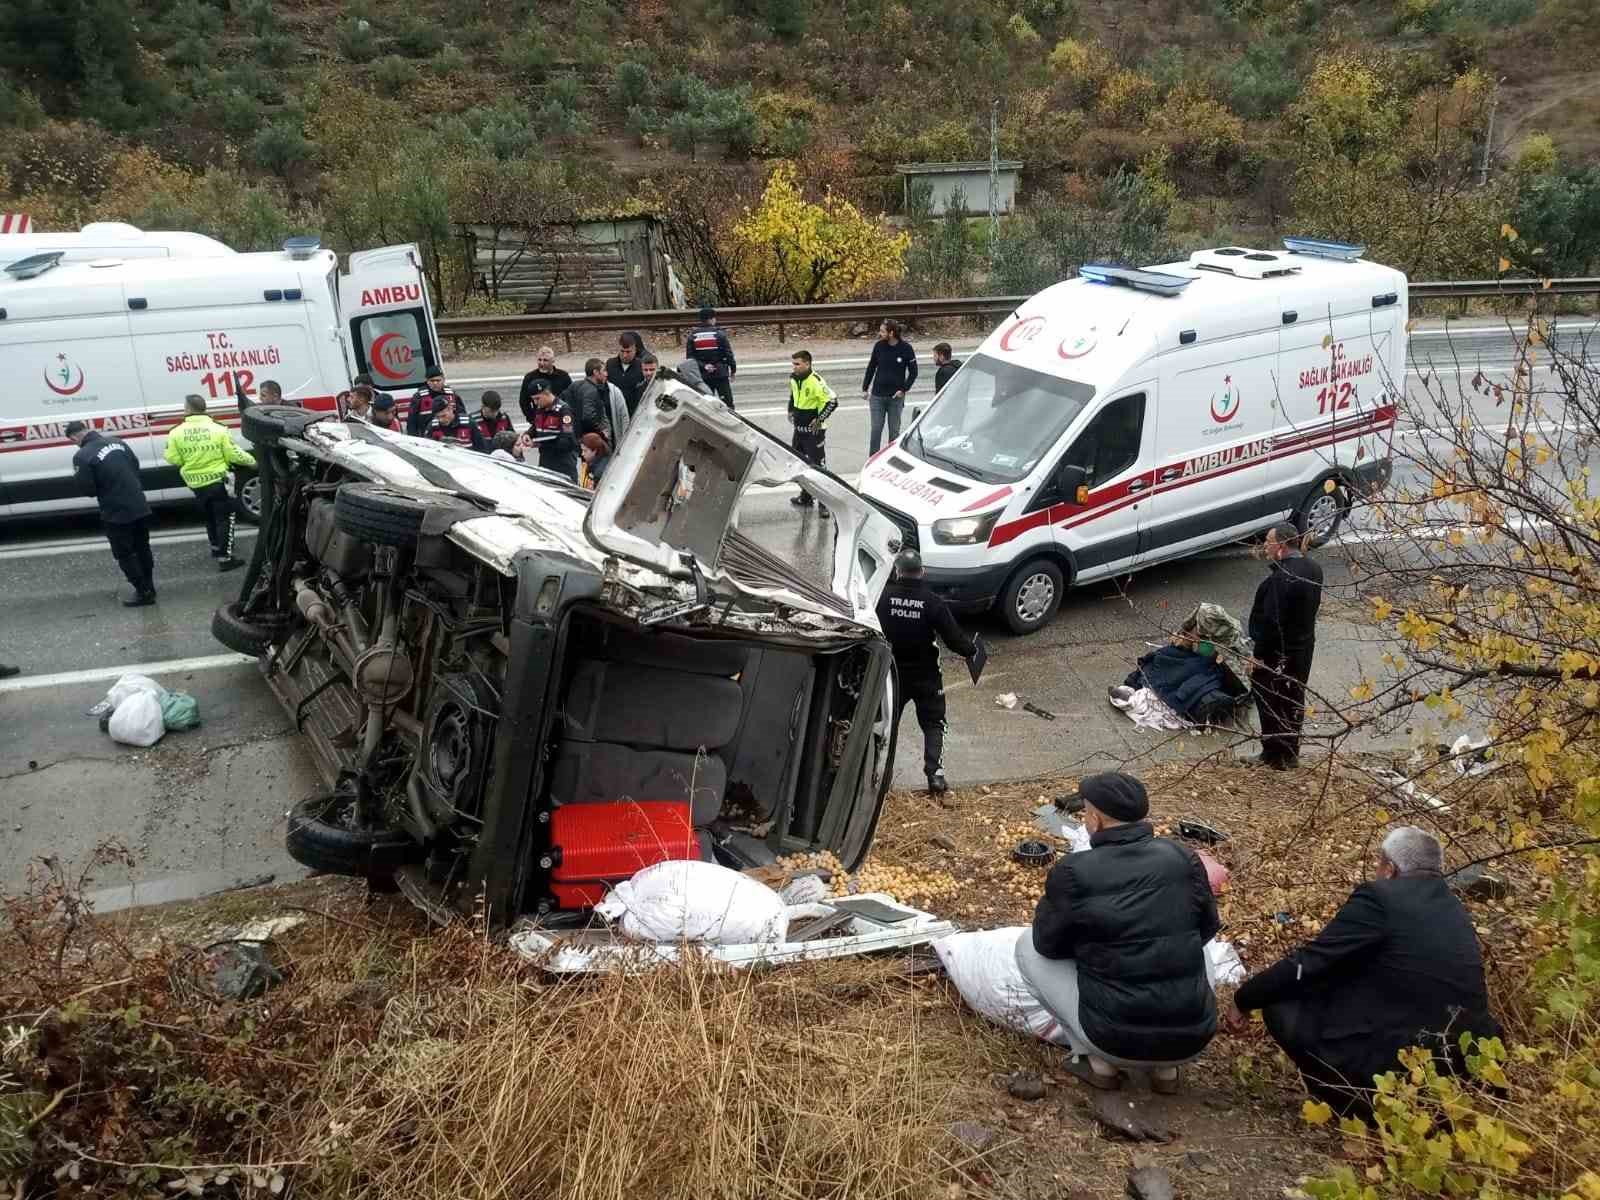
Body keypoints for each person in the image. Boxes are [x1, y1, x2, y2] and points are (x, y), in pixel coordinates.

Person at [1224, 827, 1501, 1118]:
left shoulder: (1380, 897)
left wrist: (1245, 998)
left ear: (1390, 870)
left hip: (1400, 1065)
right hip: (1462, 1070)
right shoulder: (1453, 907)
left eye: (1378, 864)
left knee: (1282, 1005)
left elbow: (1309, 964)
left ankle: (1354, 1105)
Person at [1017, 772, 1221, 1094]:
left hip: (1112, 1039)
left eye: (1085, 812)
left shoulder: (1073, 872)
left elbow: (1047, 944)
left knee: (1026, 946)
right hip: (1194, 1039)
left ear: (1095, 819)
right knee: (1195, 941)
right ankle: (1167, 1072)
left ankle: (1097, 1062)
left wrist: (1096, 945)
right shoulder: (1183, 858)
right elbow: (1208, 927)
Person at [875, 550, 978, 795]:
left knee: (887, 725)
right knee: (934, 724)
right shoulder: (932, 602)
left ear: (897, 571)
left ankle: (879, 777)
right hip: (927, 677)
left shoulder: (882, 597)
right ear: (922, 571)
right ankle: (936, 777)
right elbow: (955, 640)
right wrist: (972, 649)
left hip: (892, 675)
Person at [1247, 523, 1324, 769]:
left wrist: (1258, 657)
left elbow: (1271, 623)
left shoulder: (1279, 580)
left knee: (1269, 698)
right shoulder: (1313, 568)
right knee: (1293, 698)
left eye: (1269, 542)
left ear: (1281, 545)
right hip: (1303, 648)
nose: (1266, 547)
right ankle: (1291, 753)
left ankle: (1272, 754)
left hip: (1277, 653)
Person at [68, 420, 158, 606]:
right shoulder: (119, 442)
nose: (74, 444)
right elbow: (135, 465)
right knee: (142, 547)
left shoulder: (82, 456)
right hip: (138, 502)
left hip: (115, 510)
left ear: (76, 436)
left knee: (124, 552)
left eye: (72, 441)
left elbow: (88, 489)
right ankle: (150, 585)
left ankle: (143, 592)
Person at [163, 394, 256, 571]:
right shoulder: (219, 429)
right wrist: (252, 461)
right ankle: (225, 558)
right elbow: (233, 454)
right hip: (218, 480)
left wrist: (190, 462)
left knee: (209, 516)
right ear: (204, 408)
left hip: (196, 484)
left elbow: (171, 458)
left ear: (188, 409)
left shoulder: (175, 432)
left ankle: (215, 548)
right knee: (225, 518)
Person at [787, 350, 837, 514]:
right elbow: (793, 396)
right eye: (793, 363)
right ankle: (806, 497)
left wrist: (819, 419)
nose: (794, 367)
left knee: (818, 467)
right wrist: (790, 410)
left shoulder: (816, 381)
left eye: (797, 364)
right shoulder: (794, 378)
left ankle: (825, 504)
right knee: (801, 466)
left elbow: (832, 401)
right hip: (799, 431)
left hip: (814, 433)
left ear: (807, 364)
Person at [862, 319, 918, 456]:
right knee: (876, 429)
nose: (879, 333)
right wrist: (865, 388)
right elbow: (871, 367)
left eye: (882, 331)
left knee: (894, 431)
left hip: (895, 398)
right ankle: (873, 457)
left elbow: (914, 372)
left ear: (891, 333)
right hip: (877, 396)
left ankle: (892, 457)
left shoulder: (906, 349)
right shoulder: (879, 346)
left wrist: (904, 389)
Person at [527, 378, 579, 482]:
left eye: (537, 398)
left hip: (563, 465)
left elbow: (567, 441)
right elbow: (536, 426)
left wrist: (541, 444)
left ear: (546, 393)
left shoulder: (564, 411)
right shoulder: (540, 410)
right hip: (545, 462)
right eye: (533, 399)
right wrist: (527, 434)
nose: (535, 403)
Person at [685, 306, 738, 408]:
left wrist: (704, 366)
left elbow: (690, 359)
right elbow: (729, 355)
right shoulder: (720, 334)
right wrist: (733, 370)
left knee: (707, 405)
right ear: (711, 319)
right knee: (728, 404)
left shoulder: (693, 336)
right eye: (714, 318)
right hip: (720, 373)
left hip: (703, 375)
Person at [518, 346, 573, 426]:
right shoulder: (530, 377)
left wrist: (567, 415)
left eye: (545, 360)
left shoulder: (563, 376)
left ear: (553, 361)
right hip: (540, 420)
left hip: (560, 418)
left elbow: (571, 398)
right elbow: (524, 402)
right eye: (539, 360)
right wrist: (532, 420)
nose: (542, 363)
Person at [567, 359, 616, 445]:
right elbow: (588, 416)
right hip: (593, 440)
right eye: (604, 371)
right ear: (595, 372)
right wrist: (602, 432)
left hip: (579, 437)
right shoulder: (592, 391)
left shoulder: (575, 385)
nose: (606, 374)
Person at [605, 331, 649, 417]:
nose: (624, 355)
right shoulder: (610, 364)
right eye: (622, 351)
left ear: (635, 350)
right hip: (614, 413)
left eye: (628, 352)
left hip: (635, 414)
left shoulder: (642, 366)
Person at [406, 364, 457, 437]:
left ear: (443, 379)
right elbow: (411, 423)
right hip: (427, 437)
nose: (435, 383)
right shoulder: (419, 397)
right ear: (427, 381)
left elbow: (461, 414)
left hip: (450, 436)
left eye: (438, 380)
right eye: (432, 381)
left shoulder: (451, 395)